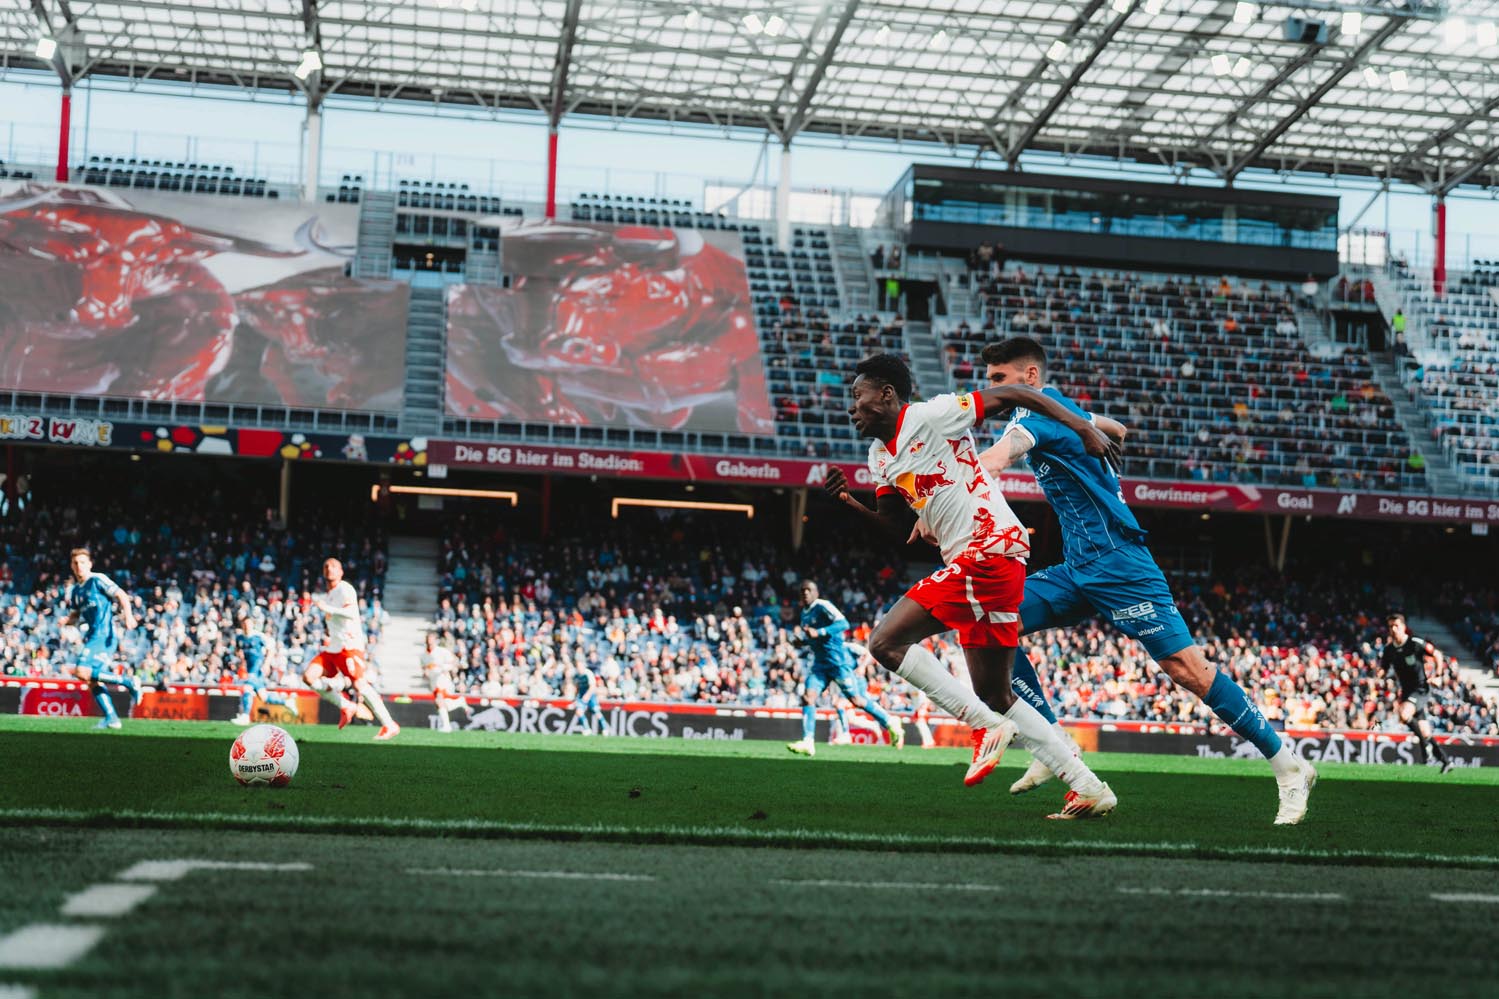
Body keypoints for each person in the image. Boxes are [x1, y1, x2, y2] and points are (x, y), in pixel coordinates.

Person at [974, 337, 1317, 825]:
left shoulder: (1030, 419)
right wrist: (1098, 432)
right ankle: (1054, 742)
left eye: (998, 379)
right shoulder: (1060, 407)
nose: (990, 390)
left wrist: (934, 494)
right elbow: (1117, 427)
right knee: (992, 620)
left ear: (1030, 378)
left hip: (1121, 564)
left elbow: (994, 461)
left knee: (1188, 670)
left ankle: (1289, 767)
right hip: (1078, 567)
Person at [822, 353, 1119, 819]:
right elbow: (896, 526)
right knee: (996, 694)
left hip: (990, 549)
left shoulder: (932, 414)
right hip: (981, 560)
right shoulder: (879, 456)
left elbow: (1016, 393)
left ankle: (983, 726)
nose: (850, 407)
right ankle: (1088, 787)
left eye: (857, 396)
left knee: (885, 642)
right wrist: (848, 503)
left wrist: (1081, 426)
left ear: (886, 394)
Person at [786, 582, 904, 757]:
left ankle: (890, 722)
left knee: (857, 700)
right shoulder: (804, 614)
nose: (805, 593)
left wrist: (819, 632)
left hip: (838, 663)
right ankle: (808, 742)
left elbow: (843, 624)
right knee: (808, 697)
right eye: (802, 590)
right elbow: (814, 638)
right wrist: (802, 641)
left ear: (816, 592)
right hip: (820, 665)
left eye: (808, 590)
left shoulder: (823, 606)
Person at [302, 558, 399, 741]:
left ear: (341, 572)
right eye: (326, 566)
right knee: (308, 677)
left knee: (360, 685)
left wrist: (326, 608)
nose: (329, 568)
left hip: (350, 646)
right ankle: (346, 705)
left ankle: (389, 724)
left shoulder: (344, 589)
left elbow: (352, 614)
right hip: (333, 648)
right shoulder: (328, 595)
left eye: (334, 566)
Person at [61, 547, 140, 730]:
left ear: (89, 564)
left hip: (104, 635)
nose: (79, 566)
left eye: (82, 562)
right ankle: (112, 718)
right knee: (91, 680)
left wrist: (128, 616)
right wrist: (66, 621)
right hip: (92, 636)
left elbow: (121, 594)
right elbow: (75, 615)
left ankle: (128, 682)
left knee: (81, 671)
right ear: (72, 566)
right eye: (75, 563)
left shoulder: (97, 580)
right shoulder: (75, 591)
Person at [1379, 614, 1453, 772]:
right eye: (1390, 626)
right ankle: (1446, 761)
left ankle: (1425, 747)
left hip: (1420, 689)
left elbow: (1437, 654)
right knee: (1425, 731)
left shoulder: (1414, 643)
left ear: (1404, 627)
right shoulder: (1389, 650)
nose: (1393, 629)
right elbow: (1383, 669)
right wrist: (1379, 675)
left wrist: (1438, 675)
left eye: (1396, 625)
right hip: (1406, 692)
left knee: (1404, 714)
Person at [232, 615, 298, 725]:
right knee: (264, 697)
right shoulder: (240, 638)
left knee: (247, 687)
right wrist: (239, 655)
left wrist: (267, 664)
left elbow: (271, 650)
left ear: (252, 625)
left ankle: (245, 716)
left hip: (258, 667)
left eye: (249, 624)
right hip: (249, 668)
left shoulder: (258, 636)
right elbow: (237, 650)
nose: (247, 626)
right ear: (242, 625)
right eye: (245, 624)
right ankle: (287, 702)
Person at [420, 632, 472, 733]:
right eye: (428, 639)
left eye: (431, 639)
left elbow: (454, 662)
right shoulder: (424, 655)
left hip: (442, 679)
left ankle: (447, 726)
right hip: (433, 681)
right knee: (441, 703)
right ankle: (459, 702)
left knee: (439, 700)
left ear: (436, 640)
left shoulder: (442, 651)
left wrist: (443, 668)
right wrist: (426, 674)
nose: (429, 641)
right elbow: (425, 669)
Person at [573, 662, 607, 735]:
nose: (579, 668)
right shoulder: (576, 675)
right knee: (579, 711)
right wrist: (576, 698)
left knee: (597, 712)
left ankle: (605, 728)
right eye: (577, 667)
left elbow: (592, 686)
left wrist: (587, 695)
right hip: (581, 695)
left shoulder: (588, 673)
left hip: (591, 695)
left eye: (580, 666)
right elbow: (576, 687)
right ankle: (587, 729)